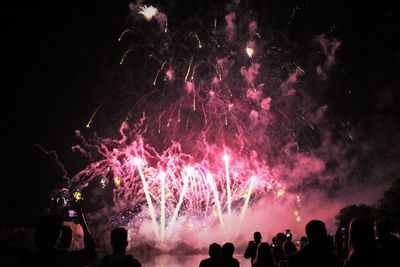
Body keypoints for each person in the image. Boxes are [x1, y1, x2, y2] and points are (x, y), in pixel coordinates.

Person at [28, 208, 96, 267]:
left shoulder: (30, 258)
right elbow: (91, 253)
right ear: (55, 236)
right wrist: (82, 222)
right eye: (59, 232)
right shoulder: (61, 259)